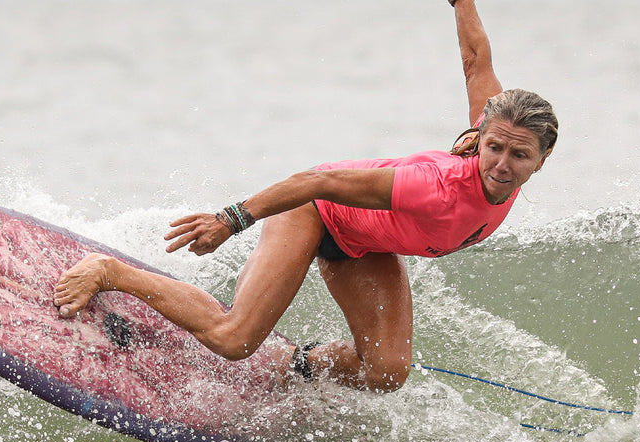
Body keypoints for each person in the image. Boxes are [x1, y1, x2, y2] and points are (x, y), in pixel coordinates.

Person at [54, 0, 558, 393]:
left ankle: (290, 367)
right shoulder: (437, 186)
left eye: (518, 156)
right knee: (234, 338)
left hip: (364, 242)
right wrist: (231, 218)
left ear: (542, 159)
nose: (501, 165)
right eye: (494, 148)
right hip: (315, 211)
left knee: (385, 371)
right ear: (484, 138)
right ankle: (108, 271)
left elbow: (476, 62)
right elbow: (318, 183)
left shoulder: (496, 128)